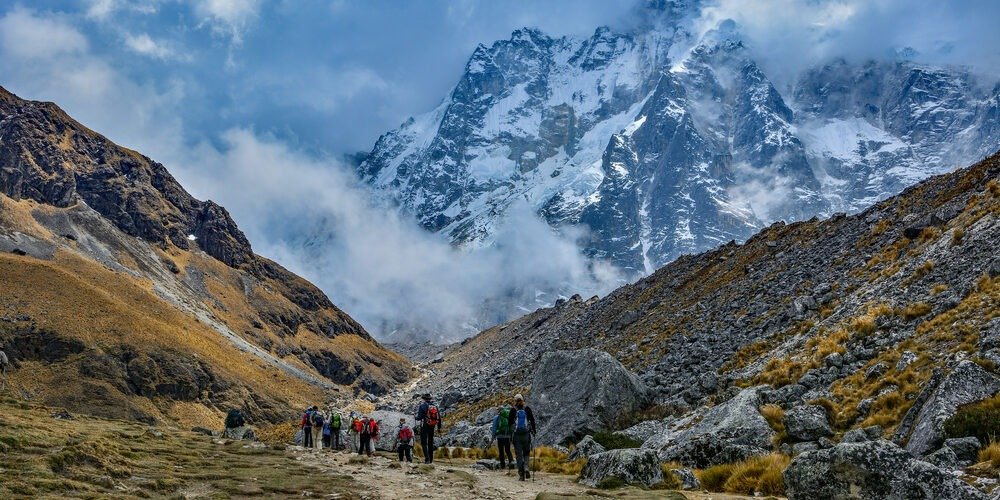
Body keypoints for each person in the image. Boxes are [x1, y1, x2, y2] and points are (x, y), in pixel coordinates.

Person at [507, 394, 536, 481]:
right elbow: (532, 420)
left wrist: (510, 435)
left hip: (517, 436)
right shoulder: (527, 409)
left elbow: (509, 423)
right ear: (523, 400)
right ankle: (526, 467)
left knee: (519, 455)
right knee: (526, 452)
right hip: (526, 435)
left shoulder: (513, 410)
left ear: (515, 401)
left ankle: (521, 474)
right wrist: (534, 431)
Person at [415, 393, 442, 464]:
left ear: (424, 399)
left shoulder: (422, 406)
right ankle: (431, 459)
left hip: (425, 425)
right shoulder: (434, 406)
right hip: (432, 426)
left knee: (424, 443)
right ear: (430, 399)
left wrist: (415, 417)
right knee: (430, 442)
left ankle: (427, 459)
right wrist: (439, 428)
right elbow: (439, 418)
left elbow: (419, 417)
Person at [492, 405, 515, 471]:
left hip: (500, 436)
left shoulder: (497, 417)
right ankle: (511, 463)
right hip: (507, 436)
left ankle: (503, 466)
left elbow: (494, 428)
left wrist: (493, 436)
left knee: (501, 451)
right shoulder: (508, 416)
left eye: (497, 410)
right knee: (508, 450)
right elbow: (512, 426)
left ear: (499, 410)